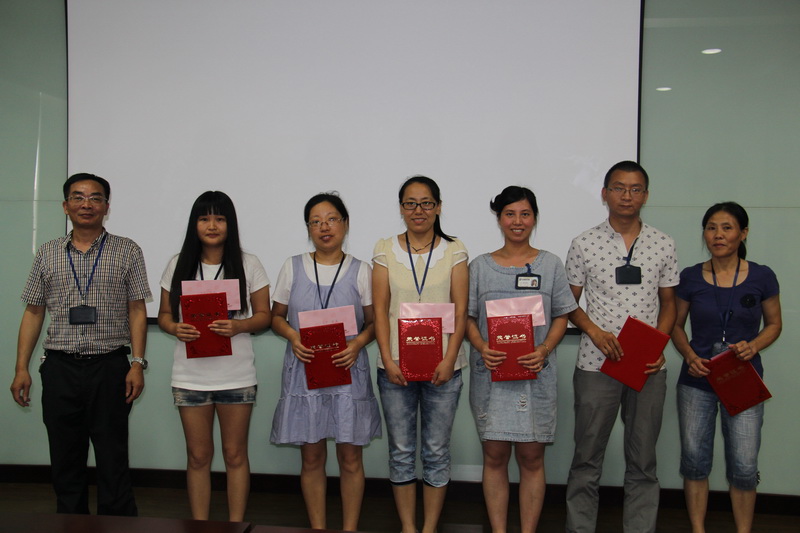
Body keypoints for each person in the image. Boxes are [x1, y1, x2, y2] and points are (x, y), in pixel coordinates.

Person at [10, 173, 151, 516]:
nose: (86, 204)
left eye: (95, 198)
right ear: (65, 206)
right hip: (60, 367)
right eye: (78, 197)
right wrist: (21, 368)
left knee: (113, 457)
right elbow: (33, 312)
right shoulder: (47, 253)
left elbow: (137, 309)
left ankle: (117, 524)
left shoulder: (127, 250)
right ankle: (70, 524)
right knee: (65, 458)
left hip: (110, 366)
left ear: (106, 207)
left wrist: (137, 363)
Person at [564, 161, 679, 533]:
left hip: (647, 367)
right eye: (618, 188)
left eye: (635, 189)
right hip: (595, 363)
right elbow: (567, 303)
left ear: (645, 195)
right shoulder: (583, 243)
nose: (626, 196)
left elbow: (670, 304)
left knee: (643, 461)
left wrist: (657, 345)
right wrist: (594, 332)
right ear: (604, 194)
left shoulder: (663, 243)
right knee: (586, 458)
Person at [466, 186, 577, 533]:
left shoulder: (551, 264)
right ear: (499, 219)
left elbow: (562, 314)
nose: (518, 221)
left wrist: (544, 350)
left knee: (531, 458)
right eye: (510, 214)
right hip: (491, 374)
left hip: (535, 375)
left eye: (525, 214)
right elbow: (467, 317)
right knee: (494, 456)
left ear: (534, 218)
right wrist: (482, 345)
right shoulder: (479, 267)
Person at [270, 193, 381, 532]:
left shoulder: (362, 270)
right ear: (308, 228)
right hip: (305, 372)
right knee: (312, 457)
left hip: (348, 370)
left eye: (332, 219)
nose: (324, 227)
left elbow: (374, 323)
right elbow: (275, 317)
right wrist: (293, 336)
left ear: (345, 224)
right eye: (316, 221)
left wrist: (357, 343)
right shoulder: (292, 266)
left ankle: (349, 528)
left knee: (350, 457)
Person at [158, 191, 271, 522]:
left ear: (229, 224)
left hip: (236, 376)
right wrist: (174, 327)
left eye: (219, 219)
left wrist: (239, 326)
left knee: (235, 455)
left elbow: (264, 316)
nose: (212, 225)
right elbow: (164, 315)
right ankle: (200, 525)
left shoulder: (249, 263)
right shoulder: (178, 264)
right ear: (194, 224)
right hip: (190, 377)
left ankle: (236, 524)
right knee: (197, 457)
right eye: (204, 218)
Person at [671, 202, 781, 533]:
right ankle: (698, 529)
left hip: (743, 378)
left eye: (727, 227)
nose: (718, 235)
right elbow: (675, 325)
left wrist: (754, 345)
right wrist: (689, 354)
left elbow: (774, 324)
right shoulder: (690, 276)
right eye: (711, 228)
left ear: (743, 233)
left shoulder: (762, 276)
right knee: (695, 461)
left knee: (744, 466)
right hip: (697, 379)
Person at [372, 175, 468, 533]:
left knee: (436, 450)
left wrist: (449, 359)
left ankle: (429, 528)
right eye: (410, 203)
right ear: (401, 208)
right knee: (400, 451)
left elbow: (461, 310)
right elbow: (380, 310)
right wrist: (388, 359)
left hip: (444, 367)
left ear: (438, 207)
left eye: (426, 203)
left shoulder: (455, 249)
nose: (419, 210)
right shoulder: (384, 249)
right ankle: (408, 528)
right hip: (395, 367)